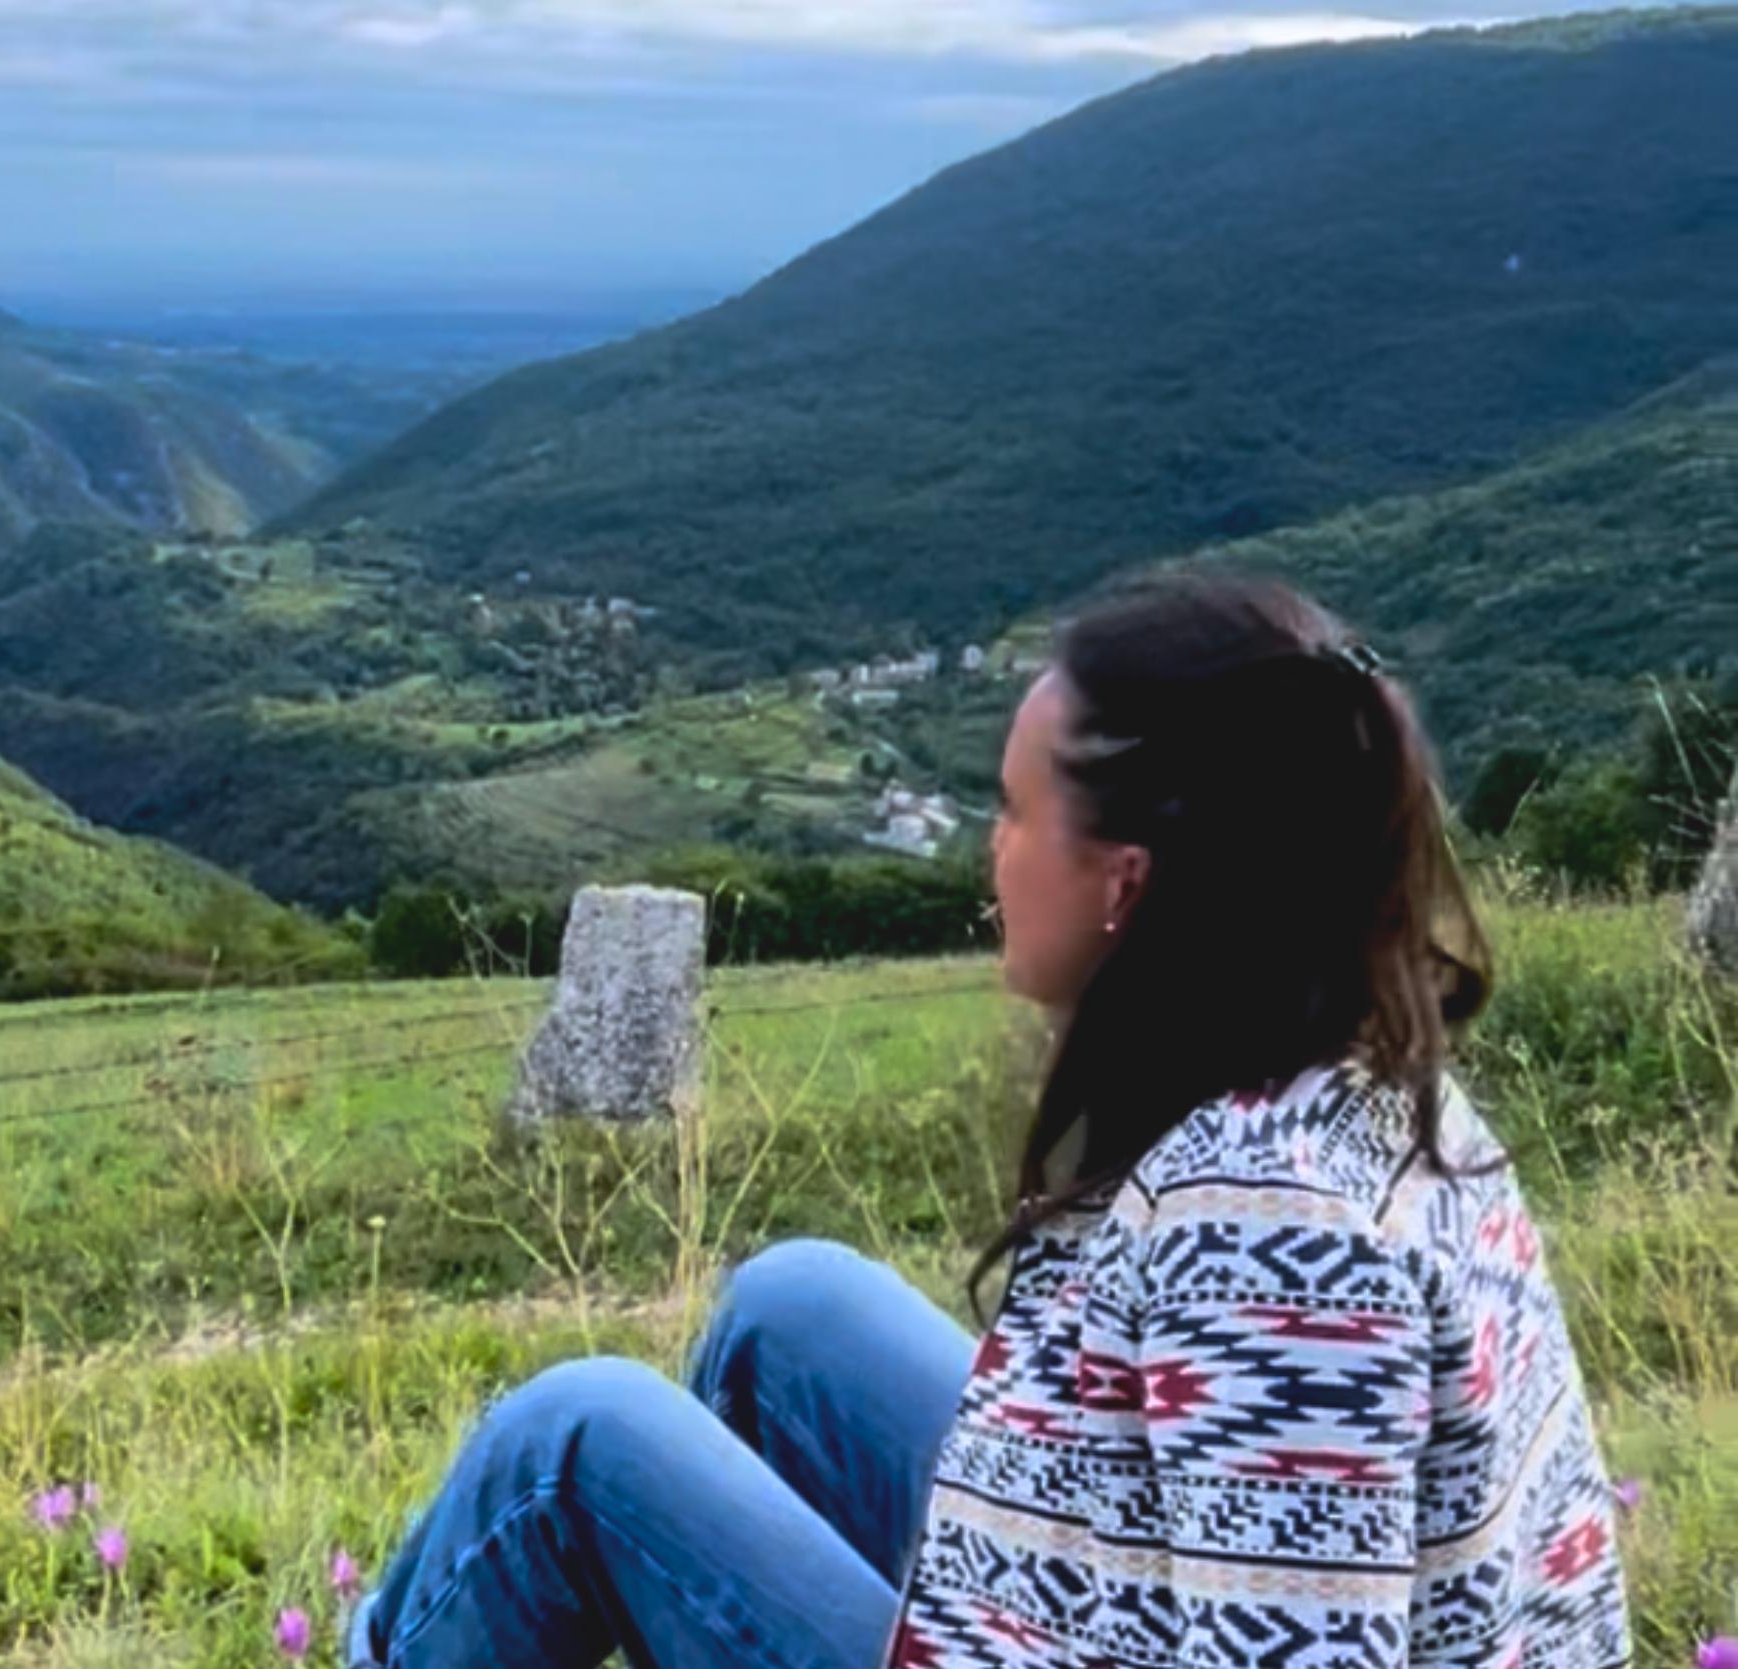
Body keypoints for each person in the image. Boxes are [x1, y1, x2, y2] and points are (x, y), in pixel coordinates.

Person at [347, 575, 1631, 1669]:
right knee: (791, 1307)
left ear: (1128, 882)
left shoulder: (1264, 1232)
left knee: (566, 1450)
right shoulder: (1356, 1062)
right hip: (1093, 1608)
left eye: (1016, 811)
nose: (991, 851)